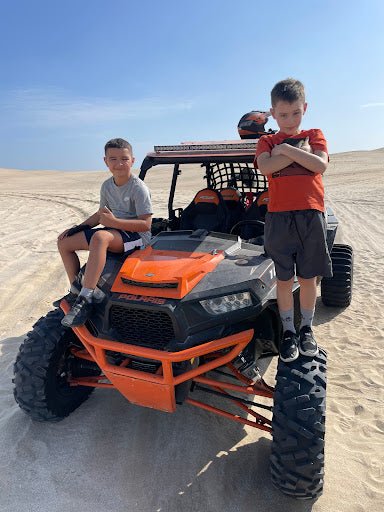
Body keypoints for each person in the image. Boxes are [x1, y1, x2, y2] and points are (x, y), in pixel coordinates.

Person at [255, 78, 332, 362]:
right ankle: (288, 330)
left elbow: (319, 165)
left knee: (308, 277)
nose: (289, 120)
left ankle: (306, 328)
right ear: (273, 113)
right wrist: (298, 153)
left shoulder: (314, 134)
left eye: (296, 113)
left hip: (311, 214)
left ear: (305, 108)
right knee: (284, 279)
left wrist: (285, 151)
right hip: (279, 217)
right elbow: (266, 167)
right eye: (283, 114)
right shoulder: (266, 140)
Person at [57, 138, 153, 328]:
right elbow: (101, 214)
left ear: (132, 161)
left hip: (136, 237)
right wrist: (78, 228)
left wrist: (114, 222)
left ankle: (85, 299)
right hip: (113, 231)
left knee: (100, 237)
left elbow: (146, 224)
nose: (119, 164)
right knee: (64, 242)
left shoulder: (138, 188)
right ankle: (76, 291)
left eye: (124, 159)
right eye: (113, 159)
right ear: (105, 161)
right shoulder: (107, 186)